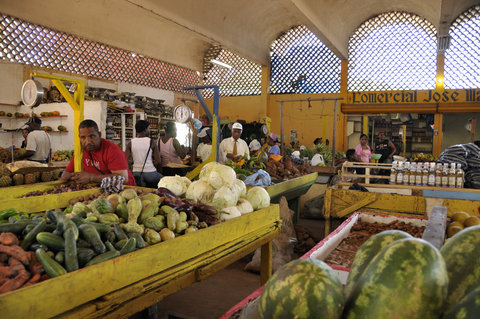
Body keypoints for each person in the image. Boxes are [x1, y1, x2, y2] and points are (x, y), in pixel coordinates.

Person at [60, 119, 135, 185]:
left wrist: (91, 177)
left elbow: (123, 179)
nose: (88, 142)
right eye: (83, 137)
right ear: (79, 137)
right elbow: (67, 172)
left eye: (92, 136)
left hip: (125, 191)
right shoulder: (81, 151)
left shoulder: (112, 150)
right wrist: (66, 176)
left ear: (99, 135)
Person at [125, 120, 162, 188]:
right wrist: (151, 165)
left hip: (136, 173)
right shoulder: (151, 142)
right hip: (150, 174)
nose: (149, 130)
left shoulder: (130, 143)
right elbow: (158, 161)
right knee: (164, 180)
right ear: (145, 130)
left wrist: (134, 162)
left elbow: (125, 160)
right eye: (149, 128)